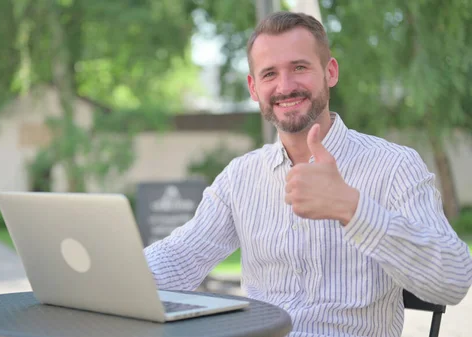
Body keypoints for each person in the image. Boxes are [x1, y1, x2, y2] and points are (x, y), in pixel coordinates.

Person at [143, 11, 472, 337]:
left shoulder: (394, 166)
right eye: (269, 74)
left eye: (299, 67)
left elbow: (454, 280)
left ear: (330, 72)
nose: (285, 87)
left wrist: (353, 209)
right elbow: (178, 259)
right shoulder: (240, 177)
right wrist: (106, 275)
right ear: (254, 88)